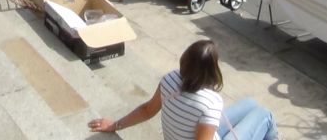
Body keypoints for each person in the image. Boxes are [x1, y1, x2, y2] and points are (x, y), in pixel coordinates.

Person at [88, 39, 279, 140]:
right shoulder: (211, 103)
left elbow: (147, 110)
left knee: (251, 104)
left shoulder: (170, 79)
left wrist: (115, 125)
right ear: (212, 69)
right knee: (265, 115)